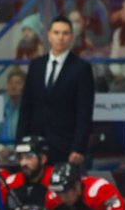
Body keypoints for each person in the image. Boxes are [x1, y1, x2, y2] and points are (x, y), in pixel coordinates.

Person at [16, 16, 96, 165]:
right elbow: (26, 107)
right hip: (35, 145)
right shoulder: (36, 65)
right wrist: (20, 142)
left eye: (65, 33)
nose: (60, 37)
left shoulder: (81, 68)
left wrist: (78, 148)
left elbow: (84, 112)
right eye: (56, 33)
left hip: (66, 145)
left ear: (71, 37)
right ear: (49, 36)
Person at [47, 162, 125, 210]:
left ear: (77, 185)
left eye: (66, 192)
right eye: (58, 193)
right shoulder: (53, 200)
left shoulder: (100, 190)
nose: (63, 198)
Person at [4, 135, 55, 210]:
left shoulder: (54, 180)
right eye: (20, 158)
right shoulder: (12, 183)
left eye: (29, 157)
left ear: (43, 159)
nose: (23, 163)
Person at [0, 68, 25, 157]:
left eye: (17, 83)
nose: (13, 86)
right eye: (10, 83)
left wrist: (10, 149)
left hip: (17, 152)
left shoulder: (26, 108)